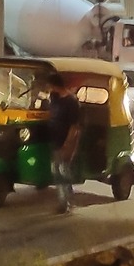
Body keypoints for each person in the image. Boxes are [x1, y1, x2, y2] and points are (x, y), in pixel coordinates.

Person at [43, 72, 82, 215]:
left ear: (54, 85)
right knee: (59, 171)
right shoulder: (55, 98)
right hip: (55, 140)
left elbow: (74, 126)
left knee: (61, 172)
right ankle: (67, 199)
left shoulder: (71, 102)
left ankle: (64, 203)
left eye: (49, 85)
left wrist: (68, 144)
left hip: (65, 142)